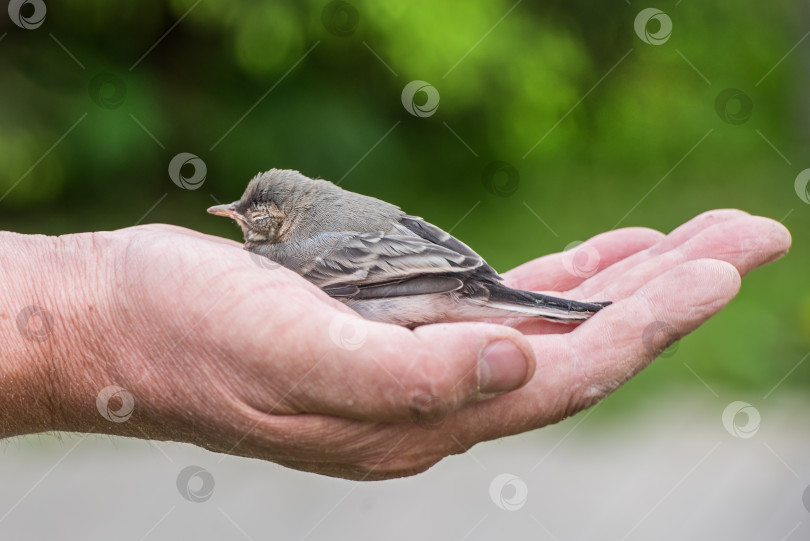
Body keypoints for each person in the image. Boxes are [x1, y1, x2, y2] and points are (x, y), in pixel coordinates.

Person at [0, 209, 790, 480]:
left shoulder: (294, 253)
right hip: (448, 271)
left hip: (418, 288)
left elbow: (388, 276)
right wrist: (100, 312)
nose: (240, 222)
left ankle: (548, 306)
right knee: (538, 304)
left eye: (249, 215)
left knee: (527, 305)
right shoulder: (322, 224)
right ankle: (555, 306)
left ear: (278, 222)